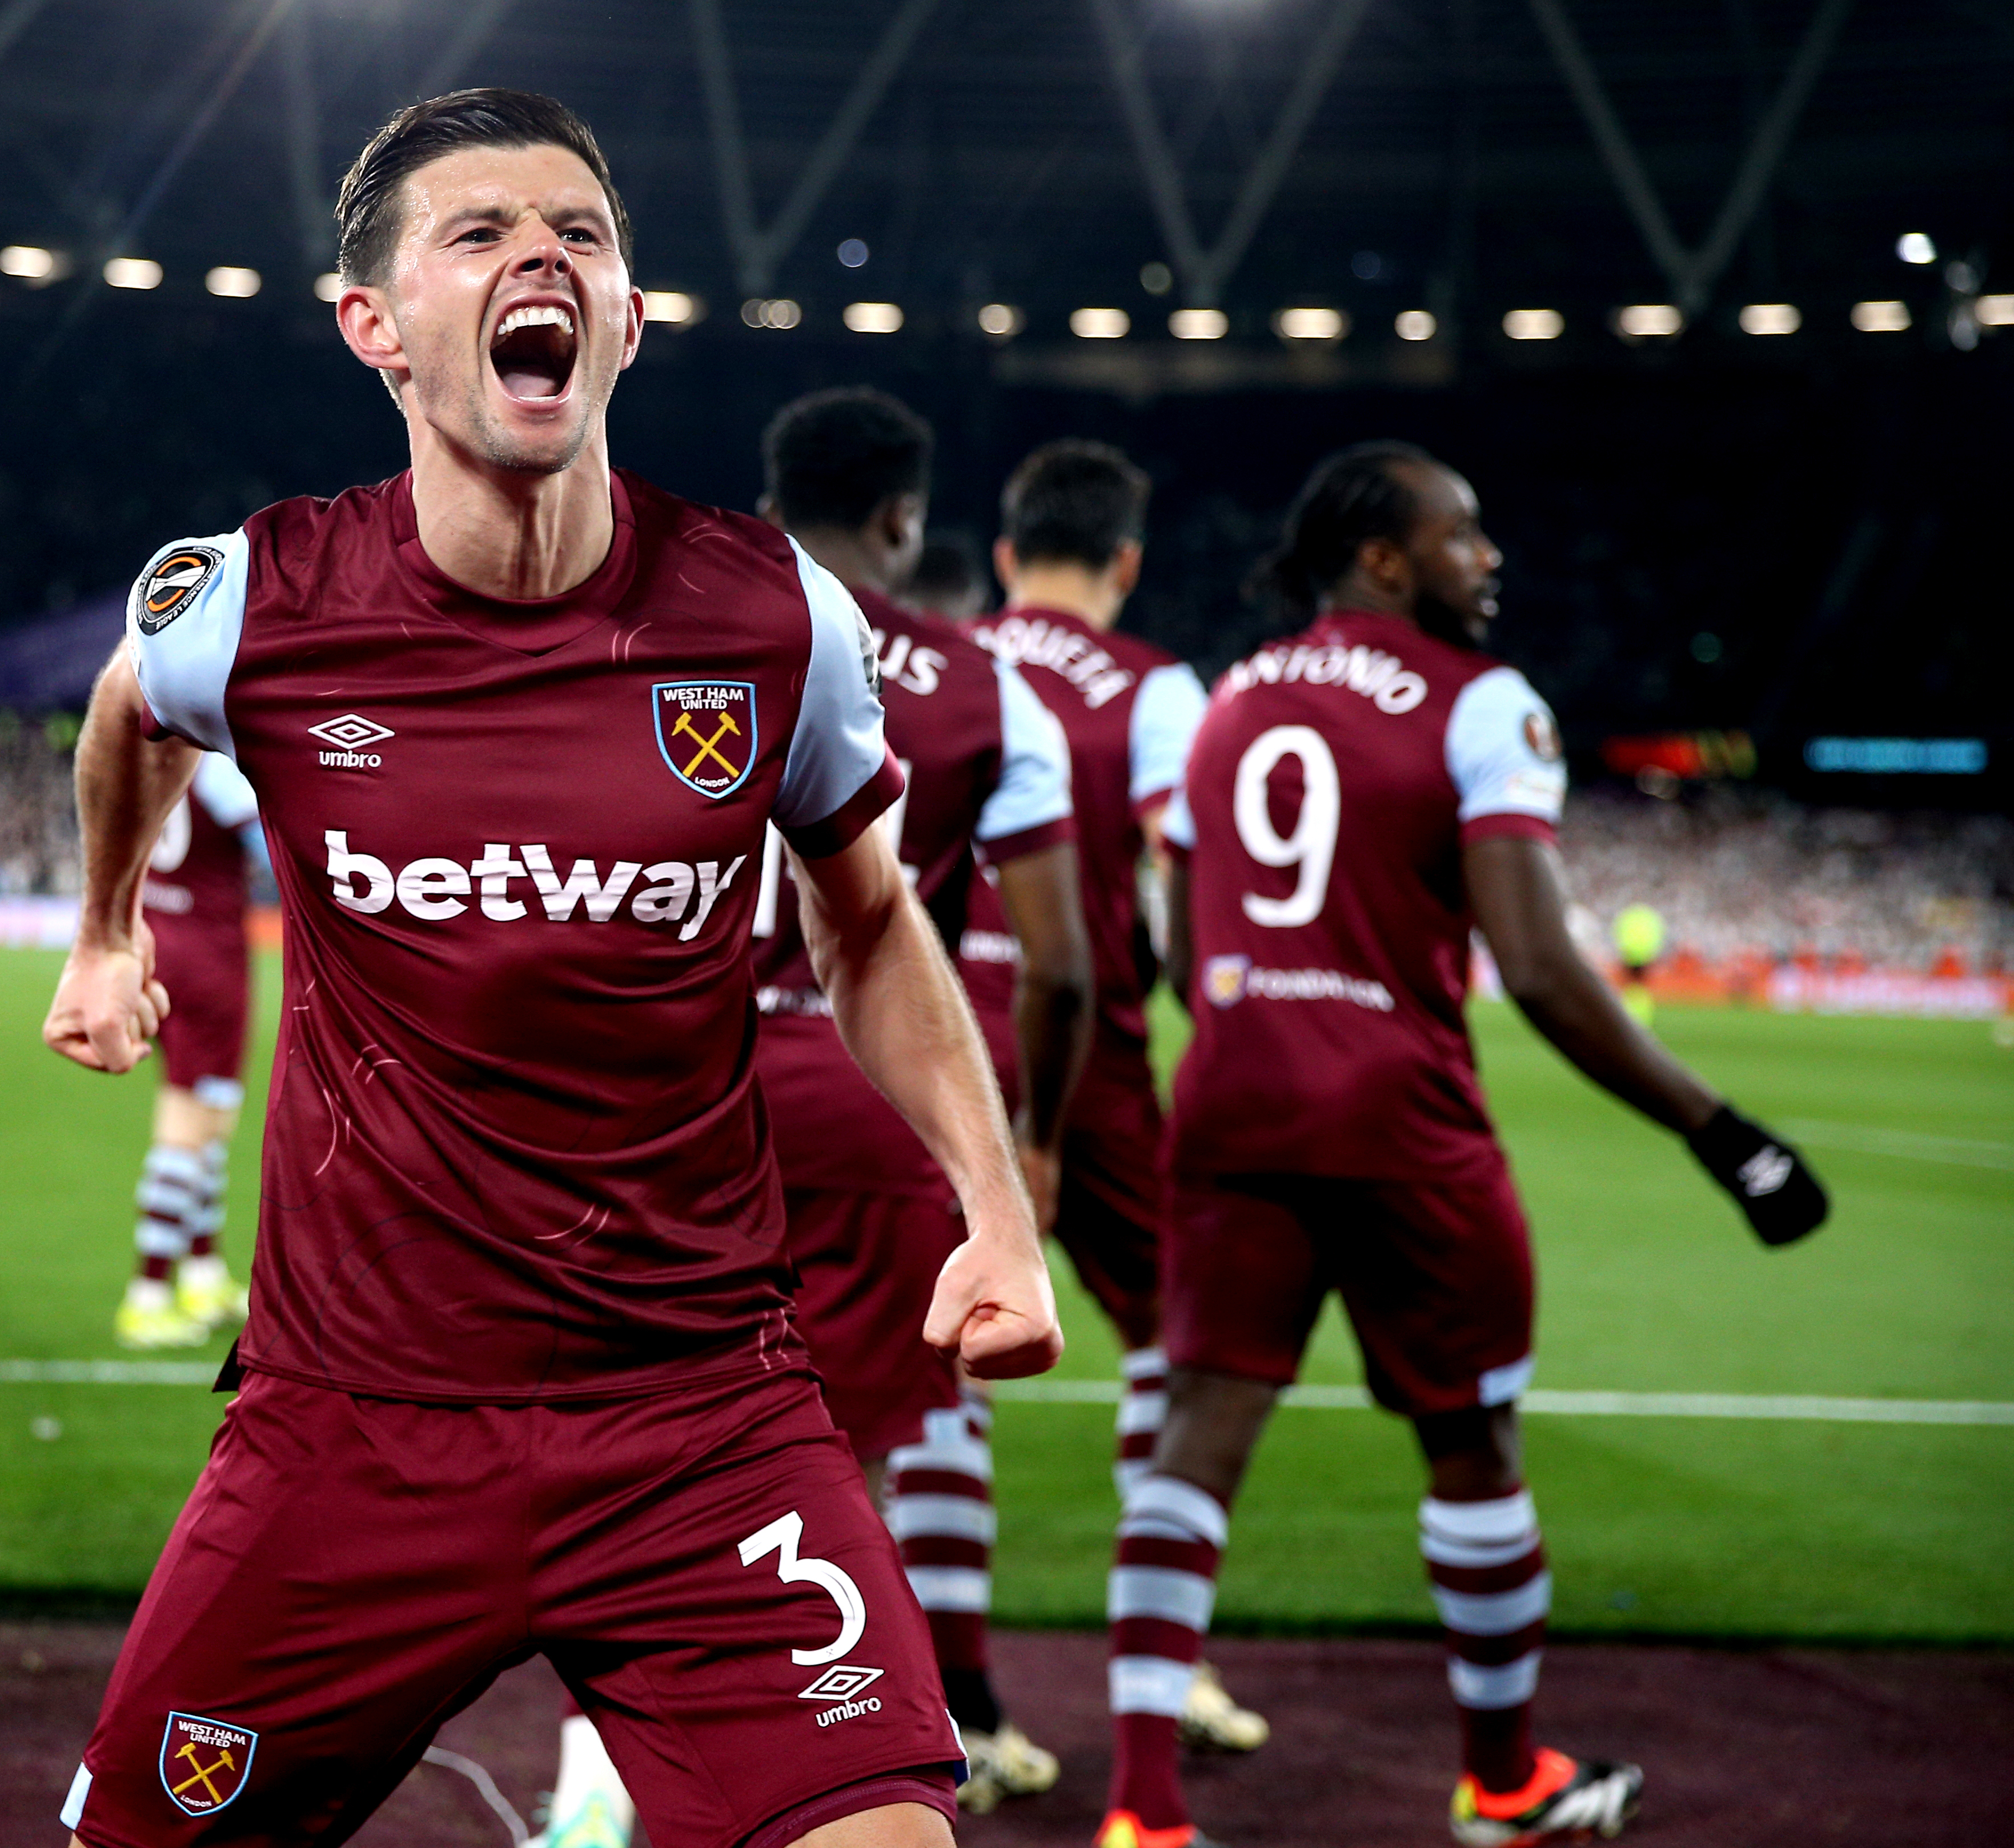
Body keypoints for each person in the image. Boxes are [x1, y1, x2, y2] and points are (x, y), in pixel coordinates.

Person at [44, 89, 1066, 1848]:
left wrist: (992, 1200)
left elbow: (874, 918)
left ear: (631, 320)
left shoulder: (779, 620)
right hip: (353, 1426)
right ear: (373, 327)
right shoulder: (250, 597)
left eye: (581, 235)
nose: (543, 258)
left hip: (700, 1421)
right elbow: (131, 713)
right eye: (480, 233)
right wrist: (108, 924)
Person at [1096, 443, 1830, 1848]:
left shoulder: (1229, 693)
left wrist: (1272, 1024)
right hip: (1399, 1121)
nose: (1487, 558)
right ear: (1384, 557)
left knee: (1191, 1443)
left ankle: (1142, 1811)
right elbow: (1543, 970)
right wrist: (1721, 1133)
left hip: (1234, 1101)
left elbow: (1177, 945)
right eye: (1461, 534)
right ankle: (1502, 1781)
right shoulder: (1481, 703)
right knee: (1472, 1438)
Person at [537, 390, 1090, 1848]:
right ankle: (801, 1771)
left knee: (628, 1436)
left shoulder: (654, 623)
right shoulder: (987, 686)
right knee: (808, 1460)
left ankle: (605, 1764)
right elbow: (1066, 960)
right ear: (906, 519)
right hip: (862, 1120)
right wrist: (1018, 1155)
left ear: (769, 499)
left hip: (668, 1103)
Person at [972, 442, 1267, 1757]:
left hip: (933, 1041)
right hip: (1087, 1055)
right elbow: (1181, 864)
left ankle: (957, 1713)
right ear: (1125, 563)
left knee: (935, 1372)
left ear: (1000, 554)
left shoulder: (933, 659)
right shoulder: (1155, 688)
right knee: (1177, 1341)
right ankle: (1169, 1662)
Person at [115, 750, 261, 1349]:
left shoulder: (150, 756)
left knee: (211, 1116)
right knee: (190, 1123)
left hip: (156, 945)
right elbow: (275, 851)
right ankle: (146, 1296)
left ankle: (203, 1272)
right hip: (209, 958)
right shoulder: (218, 766)